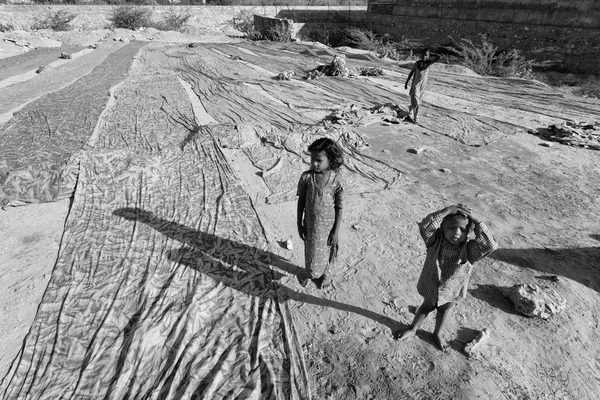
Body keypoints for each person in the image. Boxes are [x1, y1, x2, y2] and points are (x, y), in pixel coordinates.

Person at [396, 204, 498, 351]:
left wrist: (476, 221)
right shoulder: (434, 241)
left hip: (452, 290)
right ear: (442, 227)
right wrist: (446, 211)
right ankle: (413, 328)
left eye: (463, 229)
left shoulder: (470, 250)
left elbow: (490, 245)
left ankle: (437, 333)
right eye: (451, 227)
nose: (457, 233)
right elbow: (426, 227)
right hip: (432, 283)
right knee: (426, 306)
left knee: (445, 310)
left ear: (469, 232)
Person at [297, 138, 344, 289]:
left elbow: (339, 206)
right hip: (310, 225)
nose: (314, 163)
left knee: (329, 249)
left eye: (319, 160)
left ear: (330, 160)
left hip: (328, 227)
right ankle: (309, 271)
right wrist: (299, 223)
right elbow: (301, 201)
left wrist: (335, 231)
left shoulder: (336, 181)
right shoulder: (306, 177)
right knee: (310, 249)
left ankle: (326, 275)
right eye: (312, 159)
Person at [404, 49, 441, 124]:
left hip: (422, 86)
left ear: (428, 56)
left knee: (418, 102)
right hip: (415, 85)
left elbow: (439, 57)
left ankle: (411, 108)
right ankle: (416, 117)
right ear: (421, 55)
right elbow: (411, 73)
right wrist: (406, 83)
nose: (424, 56)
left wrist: (431, 54)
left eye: (426, 55)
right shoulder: (417, 63)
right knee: (416, 101)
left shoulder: (429, 63)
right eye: (423, 55)